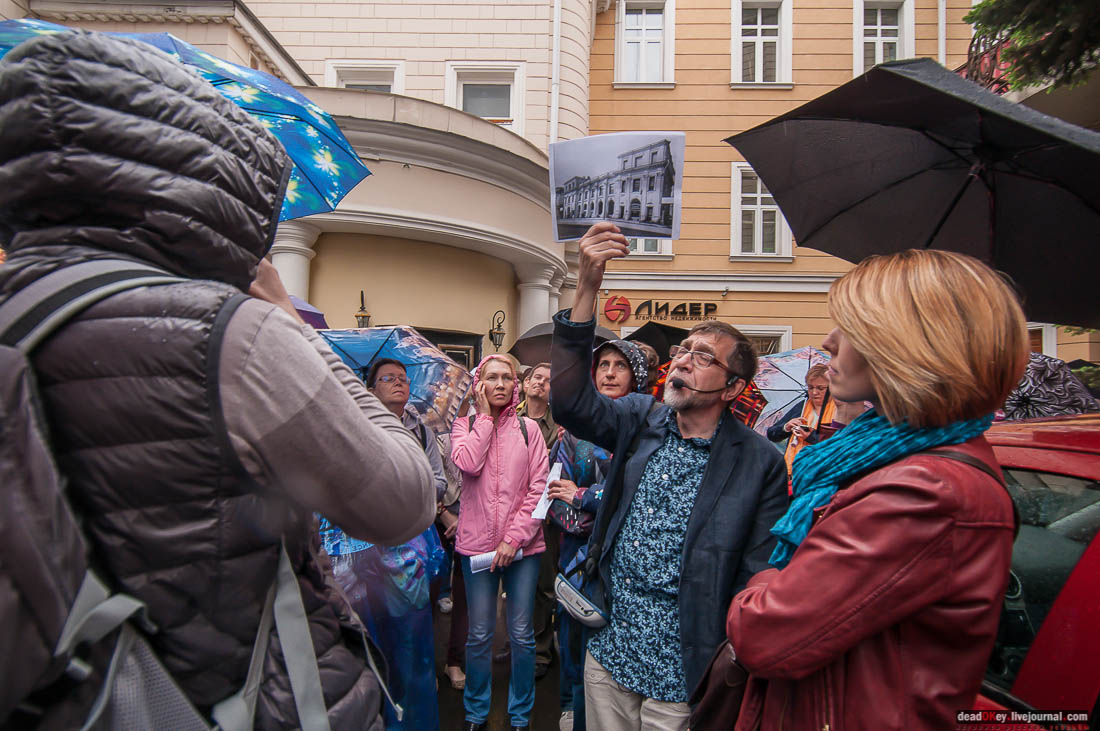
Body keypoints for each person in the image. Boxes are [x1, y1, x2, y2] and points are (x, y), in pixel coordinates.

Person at [0, 29, 436, 729]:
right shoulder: (234, 334)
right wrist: (289, 323)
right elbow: (403, 499)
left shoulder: (17, 308)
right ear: (205, 166)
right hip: (239, 701)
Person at [726, 249, 1026, 730]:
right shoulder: (888, 453)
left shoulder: (923, 491)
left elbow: (763, 632)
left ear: (909, 345)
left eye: (850, 328)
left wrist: (760, 581)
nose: (828, 342)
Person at [550, 222, 788, 731]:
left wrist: (734, 655)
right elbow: (569, 401)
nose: (682, 362)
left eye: (703, 358)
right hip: (611, 650)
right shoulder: (641, 418)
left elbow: (757, 569)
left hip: (686, 671)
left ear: (732, 387)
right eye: (683, 352)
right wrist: (588, 286)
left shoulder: (758, 460)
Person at [318, 358, 450, 730]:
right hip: (356, 559)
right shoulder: (350, 427)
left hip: (407, 558)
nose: (398, 384)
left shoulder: (420, 432)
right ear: (371, 388)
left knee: (409, 648)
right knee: (364, 646)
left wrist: (408, 486)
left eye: (403, 379)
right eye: (388, 378)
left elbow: (437, 483)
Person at [546, 338, 650, 731]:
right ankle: (572, 704)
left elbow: (637, 493)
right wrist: (591, 515)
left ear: (636, 376)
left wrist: (587, 497)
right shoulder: (573, 432)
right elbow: (557, 495)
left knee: (612, 645)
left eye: (619, 366)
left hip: (625, 553)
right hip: (577, 552)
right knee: (572, 635)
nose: (608, 372)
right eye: (603, 364)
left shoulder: (648, 429)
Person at [450, 355, 551, 731]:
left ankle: (520, 714)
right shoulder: (464, 426)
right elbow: (469, 464)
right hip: (476, 546)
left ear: (516, 385)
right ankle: (477, 712)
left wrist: (513, 539)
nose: (499, 384)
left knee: (522, 635)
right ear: (479, 384)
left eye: (506, 377)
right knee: (479, 635)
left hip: (523, 548)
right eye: (491, 377)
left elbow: (539, 490)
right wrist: (484, 421)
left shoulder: (530, 430)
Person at [515, 362, 560, 679]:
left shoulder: (562, 427)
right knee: (514, 585)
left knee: (543, 588)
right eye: (536, 378)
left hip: (545, 518)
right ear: (525, 383)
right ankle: (519, 643)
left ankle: (541, 651)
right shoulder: (510, 420)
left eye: (548, 380)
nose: (541, 384)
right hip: (511, 515)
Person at [766, 363, 836, 476]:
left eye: (820, 388)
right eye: (810, 387)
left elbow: (839, 443)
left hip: (824, 472)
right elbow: (771, 434)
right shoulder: (802, 406)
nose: (814, 392)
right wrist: (786, 427)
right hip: (794, 472)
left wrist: (811, 436)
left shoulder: (839, 410)